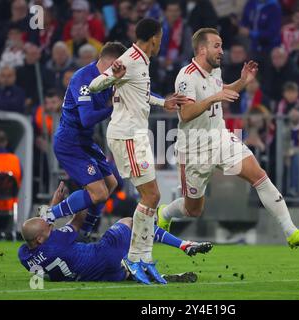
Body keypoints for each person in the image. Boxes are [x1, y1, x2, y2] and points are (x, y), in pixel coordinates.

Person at [157, 28, 299, 249]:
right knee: (192, 209)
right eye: (217, 46)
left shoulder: (214, 71)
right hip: (194, 148)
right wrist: (216, 97)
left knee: (259, 176)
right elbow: (185, 113)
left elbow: (221, 90)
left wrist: (242, 81)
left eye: (221, 45)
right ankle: (164, 213)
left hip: (221, 138)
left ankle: (291, 232)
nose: (222, 51)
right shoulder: (186, 76)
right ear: (202, 49)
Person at [88, 18, 188, 285]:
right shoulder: (129, 59)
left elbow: (140, 94)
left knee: (152, 198)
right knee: (151, 195)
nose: (162, 41)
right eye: (161, 36)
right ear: (154, 37)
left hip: (136, 135)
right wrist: (112, 76)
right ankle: (135, 257)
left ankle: (143, 258)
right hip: (127, 136)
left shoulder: (141, 60)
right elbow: (96, 84)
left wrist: (163, 102)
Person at [19, 182, 212, 283]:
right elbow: (78, 220)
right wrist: (80, 198)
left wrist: (51, 215)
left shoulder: (25, 255)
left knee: (118, 271)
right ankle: (183, 245)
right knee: (130, 222)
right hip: (102, 253)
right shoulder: (56, 243)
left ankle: (134, 271)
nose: (51, 225)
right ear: (39, 238)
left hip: (93, 273)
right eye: (49, 227)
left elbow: (41, 238)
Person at [38, 42, 127, 251]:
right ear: (112, 62)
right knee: (99, 193)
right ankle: (49, 215)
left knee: (111, 183)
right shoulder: (83, 79)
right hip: (70, 142)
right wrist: (112, 108)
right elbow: (87, 119)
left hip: (85, 142)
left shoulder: (110, 78)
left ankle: (84, 232)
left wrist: (164, 102)